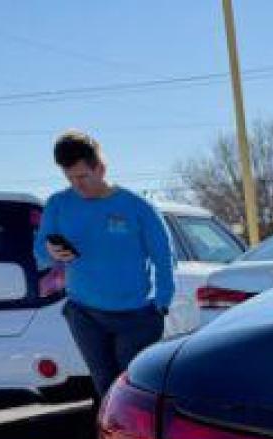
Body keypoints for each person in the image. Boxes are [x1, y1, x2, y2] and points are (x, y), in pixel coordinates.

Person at [33, 130, 174, 403]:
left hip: (136, 317)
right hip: (85, 314)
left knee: (133, 390)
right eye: (70, 178)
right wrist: (50, 251)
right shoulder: (59, 204)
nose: (78, 185)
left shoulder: (137, 207)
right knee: (104, 388)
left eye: (83, 176)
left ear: (101, 168)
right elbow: (40, 251)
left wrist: (162, 303)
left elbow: (163, 257)